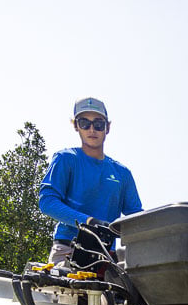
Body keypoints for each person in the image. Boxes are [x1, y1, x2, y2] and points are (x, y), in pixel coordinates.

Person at [39, 97, 142, 266]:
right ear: (76, 126)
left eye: (98, 124)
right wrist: (88, 222)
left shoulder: (122, 173)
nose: (92, 129)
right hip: (68, 250)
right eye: (85, 123)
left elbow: (136, 217)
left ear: (108, 127)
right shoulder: (66, 159)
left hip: (107, 257)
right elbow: (47, 201)